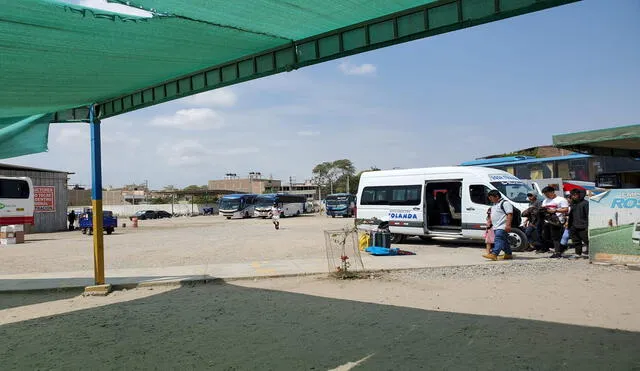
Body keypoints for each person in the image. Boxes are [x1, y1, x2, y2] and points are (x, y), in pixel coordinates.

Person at [483, 190, 513, 261]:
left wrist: (508, 225)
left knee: (498, 239)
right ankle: (508, 254)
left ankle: (494, 254)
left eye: (491, 197)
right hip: (496, 226)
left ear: (496, 196)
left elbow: (510, 214)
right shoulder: (494, 204)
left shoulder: (505, 203)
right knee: (504, 241)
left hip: (502, 226)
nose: (490, 199)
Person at [540, 186, 569, 258]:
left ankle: (557, 252)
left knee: (555, 237)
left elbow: (566, 209)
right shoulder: (545, 200)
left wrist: (555, 210)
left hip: (557, 220)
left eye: (547, 194)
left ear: (552, 192)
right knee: (545, 236)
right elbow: (543, 209)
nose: (546, 195)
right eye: (545, 194)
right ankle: (561, 248)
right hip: (547, 221)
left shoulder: (561, 200)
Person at [568, 189, 589, 258]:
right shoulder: (572, 204)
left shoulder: (585, 203)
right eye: (572, 195)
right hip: (573, 225)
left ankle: (591, 252)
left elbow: (588, 215)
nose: (573, 197)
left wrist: (587, 225)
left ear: (579, 195)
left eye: (575, 195)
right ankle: (578, 253)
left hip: (583, 226)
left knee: (586, 240)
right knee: (576, 241)